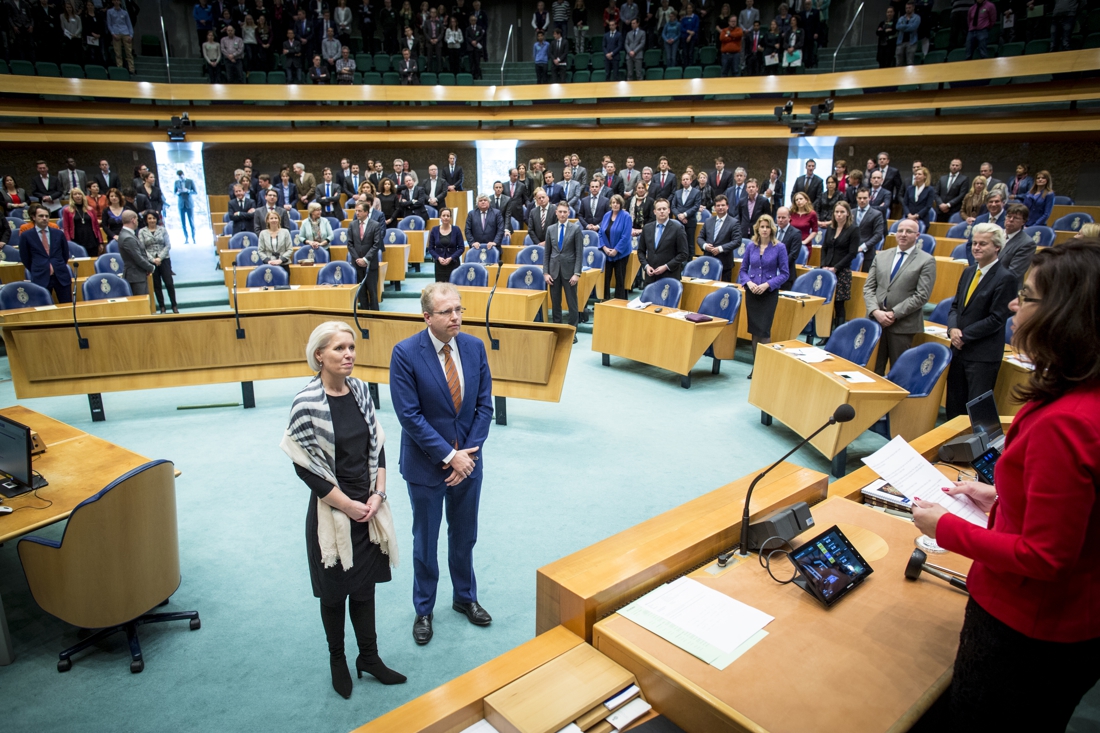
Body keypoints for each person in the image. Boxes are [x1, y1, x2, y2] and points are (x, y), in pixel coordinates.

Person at [913, 241, 1100, 732]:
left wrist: (945, 528)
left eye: (1029, 297)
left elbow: (1045, 557)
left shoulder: (1068, 421)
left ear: (1066, 316)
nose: (1015, 305)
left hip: (1031, 629)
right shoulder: (1085, 394)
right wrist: (1002, 495)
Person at [281, 321, 405, 700]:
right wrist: (348, 504)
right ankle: (338, 660)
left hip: (368, 507)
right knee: (334, 596)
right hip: (331, 512)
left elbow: (378, 445)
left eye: (351, 347)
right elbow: (303, 466)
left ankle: (369, 657)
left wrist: (378, 496)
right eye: (339, 348)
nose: (349, 354)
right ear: (319, 355)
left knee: (364, 590)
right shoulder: (306, 403)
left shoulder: (362, 391)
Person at [389, 282, 494, 646]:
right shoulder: (405, 353)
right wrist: (450, 457)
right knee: (426, 540)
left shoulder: (474, 347)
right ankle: (424, 608)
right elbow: (410, 416)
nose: (456, 317)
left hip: (469, 462)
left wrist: (466, 456)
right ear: (427, 316)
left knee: (465, 536)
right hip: (426, 465)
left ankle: (465, 597)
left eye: (459, 310)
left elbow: (484, 407)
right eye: (447, 312)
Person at [944, 222, 1016, 418]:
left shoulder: (1005, 277)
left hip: (982, 355)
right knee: (954, 406)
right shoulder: (968, 272)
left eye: (983, 244)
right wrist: (952, 330)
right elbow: (955, 307)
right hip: (959, 350)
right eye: (975, 243)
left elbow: (997, 318)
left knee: (976, 412)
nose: (976, 247)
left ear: (997, 247)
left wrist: (964, 335)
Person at [863, 218, 936, 373]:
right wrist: (876, 311)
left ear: (917, 235)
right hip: (876, 321)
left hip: (902, 325)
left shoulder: (926, 261)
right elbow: (868, 288)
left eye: (909, 231)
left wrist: (893, 314)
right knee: (872, 370)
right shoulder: (881, 256)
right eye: (900, 230)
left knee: (899, 372)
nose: (903, 234)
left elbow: (922, 295)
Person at [738, 214, 789, 377]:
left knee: (764, 331)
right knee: (754, 331)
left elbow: (785, 274)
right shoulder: (751, 246)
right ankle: (757, 367)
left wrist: (767, 284)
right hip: (752, 292)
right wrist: (749, 283)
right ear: (757, 229)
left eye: (767, 227)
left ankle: (764, 369)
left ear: (772, 229)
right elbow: (742, 270)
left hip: (768, 294)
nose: (765, 230)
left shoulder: (779, 247)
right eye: (762, 227)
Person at [545, 201, 584, 336]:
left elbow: (579, 253)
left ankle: (572, 332)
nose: (562, 214)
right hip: (554, 272)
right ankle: (557, 330)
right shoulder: (550, 229)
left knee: (572, 304)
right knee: (556, 304)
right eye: (560, 211)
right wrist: (545, 272)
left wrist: (577, 273)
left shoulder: (576, 229)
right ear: (556, 213)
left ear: (569, 213)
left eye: (564, 212)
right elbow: (547, 253)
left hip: (570, 272)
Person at [819, 200, 859, 330]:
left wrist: (835, 268)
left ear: (848, 213)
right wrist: (824, 266)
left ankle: (838, 333)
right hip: (827, 270)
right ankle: (825, 332)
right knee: (826, 303)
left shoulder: (853, 230)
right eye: (836, 212)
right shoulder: (831, 229)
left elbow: (852, 253)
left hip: (842, 271)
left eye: (842, 212)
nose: (839, 215)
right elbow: (824, 248)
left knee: (839, 304)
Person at [20, 205, 72, 303]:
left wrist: (57, 264)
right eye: (41, 216)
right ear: (33, 217)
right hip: (40, 276)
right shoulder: (26, 236)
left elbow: (65, 253)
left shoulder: (58, 233)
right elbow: (25, 257)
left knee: (67, 306)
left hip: (60, 275)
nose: (44, 218)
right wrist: (39, 266)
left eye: (46, 216)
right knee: (43, 307)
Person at [638, 198, 690, 285]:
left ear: (669, 210)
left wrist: (666, 266)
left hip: (670, 276)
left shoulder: (678, 228)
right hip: (651, 276)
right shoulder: (647, 228)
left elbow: (683, 254)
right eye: (659, 209)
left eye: (664, 209)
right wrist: (646, 266)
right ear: (654, 212)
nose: (662, 211)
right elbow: (641, 251)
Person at [139, 210, 178, 314]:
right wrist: (153, 260)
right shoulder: (142, 231)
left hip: (164, 259)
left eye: (154, 218)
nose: (152, 220)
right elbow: (142, 248)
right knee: (157, 285)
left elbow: (168, 245)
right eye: (149, 218)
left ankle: (174, 305)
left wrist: (160, 258)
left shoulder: (163, 230)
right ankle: (162, 307)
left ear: (157, 219)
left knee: (169, 283)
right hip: (151, 262)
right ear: (146, 220)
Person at [348, 199, 385, 310]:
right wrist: (357, 259)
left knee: (372, 292)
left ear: (366, 212)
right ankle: (364, 316)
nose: (357, 213)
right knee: (361, 292)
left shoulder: (375, 225)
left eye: (359, 211)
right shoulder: (352, 225)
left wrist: (365, 259)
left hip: (370, 264)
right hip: (357, 264)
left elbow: (376, 244)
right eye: (356, 211)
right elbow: (350, 244)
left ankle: (374, 316)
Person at [696, 194, 740, 282]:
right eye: (718, 205)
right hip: (708, 262)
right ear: (714, 207)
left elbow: (737, 241)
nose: (720, 207)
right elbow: (700, 238)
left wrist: (720, 249)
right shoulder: (708, 221)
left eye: (723, 205)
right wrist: (705, 246)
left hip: (725, 264)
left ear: (727, 206)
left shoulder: (734, 222)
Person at [598, 193, 633, 301]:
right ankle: (605, 300)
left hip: (621, 254)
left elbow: (626, 236)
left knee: (620, 279)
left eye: (617, 203)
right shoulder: (606, 215)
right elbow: (600, 233)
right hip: (607, 253)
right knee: (606, 279)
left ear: (621, 204)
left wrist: (616, 250)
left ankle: (619, 302)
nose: (615, 205)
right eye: (613, 203)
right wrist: (604, 248)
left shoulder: (626, 216)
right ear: (610, 204)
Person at [117, 209, 154, 296]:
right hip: (135, 277)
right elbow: (138, 258)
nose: (137, 222)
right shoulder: (127, 238)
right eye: (137, 220)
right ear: (133, 220)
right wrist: (151, 267)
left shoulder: (126, 234)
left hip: (138, 275)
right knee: (141, 305)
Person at [998, 204, 1038, 281]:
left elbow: (1013, 273)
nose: (1011, 220)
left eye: (1016, 218)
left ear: (1023, 222)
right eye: (1009, 216)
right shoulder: (995, 235)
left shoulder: (1027, 243)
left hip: (1006, 287)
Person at [427, 207, 465, 283]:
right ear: (440, 217)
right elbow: (430, 248)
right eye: (443, 215)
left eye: (448, 216)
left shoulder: (456, 229)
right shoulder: (434, 230)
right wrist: (438, 257)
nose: (446, 218)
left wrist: (451, 258)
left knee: (453, 286)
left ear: (450, 217)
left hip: (453, 263)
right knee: (440, 288)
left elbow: (461, 248)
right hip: (439, 264)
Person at [62, 188, 101, 258]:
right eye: (75, 194)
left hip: (91, 240)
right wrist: (69, 243)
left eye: (79, 194)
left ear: (83, 196)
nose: (78, 196)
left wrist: (100, 242)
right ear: (72, 197)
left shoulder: (90, 209)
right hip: (76, 240)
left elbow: (96, 226)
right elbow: (66, 228)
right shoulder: (67, 210)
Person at [106, 0, 135, 74]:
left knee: (129, 52)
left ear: (120, 2)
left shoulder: (124, 12)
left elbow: (129, 24)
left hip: (125, 32)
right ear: (112, 1)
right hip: (116, 33)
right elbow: (109, 24)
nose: (116, 2)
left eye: (118, 0)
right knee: (118, 53)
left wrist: (131, 35)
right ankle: (120, 69)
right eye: (115, 0)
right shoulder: (109, 12)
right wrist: (113, 33)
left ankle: (131, 69)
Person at [670, 172, 701, 237]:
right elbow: (673, 206)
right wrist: (679, 216)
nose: (685, 181)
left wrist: (684, 215)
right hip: (678, 222)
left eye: (687, 179)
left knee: (690, 244)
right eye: (683, 180)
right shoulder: (677, 193)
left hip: (690, 222)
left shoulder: (696, 192)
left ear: (691, 181)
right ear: (681, 182)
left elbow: (696, 206)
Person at [789, 191, 819, 257]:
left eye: (801, 199)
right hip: (791, 244)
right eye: (796, 200)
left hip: (804, 244)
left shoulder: (812, 214)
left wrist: (805, 241)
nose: (799, 201)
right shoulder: (791, 213)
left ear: (806, 200)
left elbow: (815, 231)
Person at [173, 170, 197, 244]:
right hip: (181, 204)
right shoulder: (176, 182)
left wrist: (188, 191)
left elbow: (195, 192)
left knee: (191, 221)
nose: (180, 177)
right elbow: (174, 192)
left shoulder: (190, 181)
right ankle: (186, 238)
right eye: (179, 176)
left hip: (189, 203)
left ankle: (193, 237)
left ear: (183, 175)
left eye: (181, 176)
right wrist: (178, 192)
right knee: (183, 223)